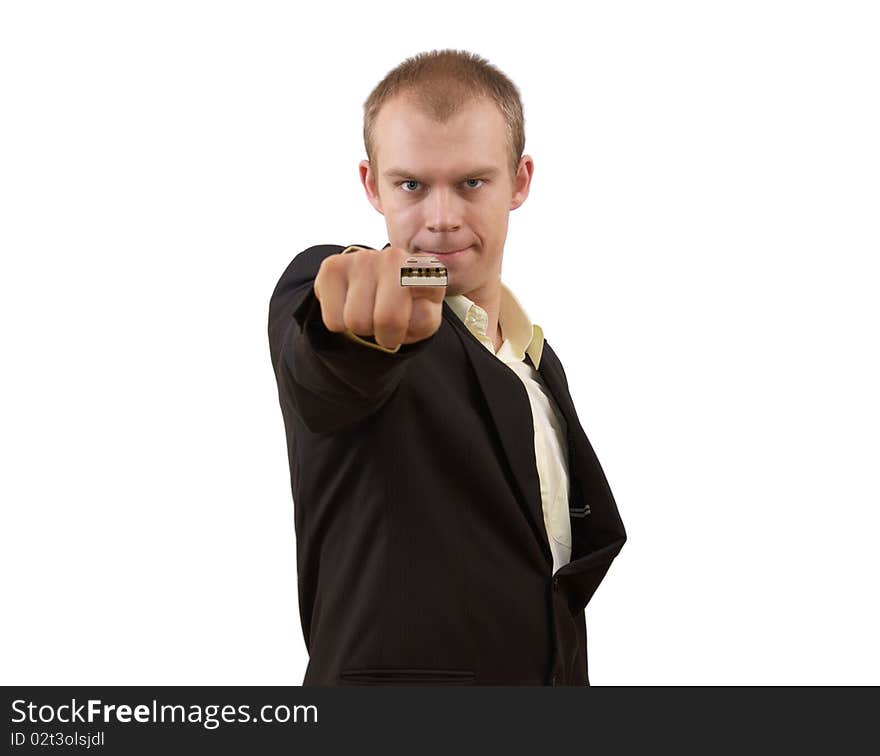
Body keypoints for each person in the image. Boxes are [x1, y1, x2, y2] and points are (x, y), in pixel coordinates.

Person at [268, 49, 626, 686]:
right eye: (410, 185)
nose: (440, 218)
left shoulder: (534, 365)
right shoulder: (336, 296)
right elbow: (328, 364)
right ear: (371, 184)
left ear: (519, 182)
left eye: (471, 183)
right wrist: (350, 328)